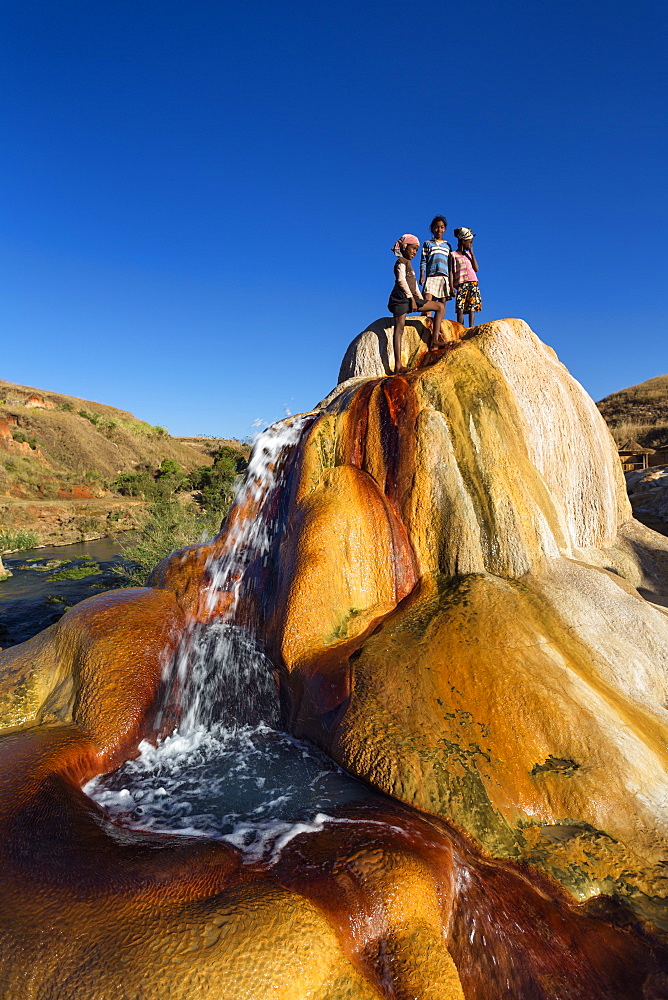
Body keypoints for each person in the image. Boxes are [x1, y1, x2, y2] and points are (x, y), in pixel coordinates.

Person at [388, 234, 445, 374]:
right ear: (405, 247)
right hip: (400, 298)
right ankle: (398, 366)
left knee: (439, 307)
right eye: (413, 248)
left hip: (410, 298)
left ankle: (435, 340)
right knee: (399, 329)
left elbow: (414, 287)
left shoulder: (409, 264)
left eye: (416, 250)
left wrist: (421, 300)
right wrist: (412, 299)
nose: (414, 252)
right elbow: (401, 281)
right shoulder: (401, 262)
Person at [419, 215, 452, 312]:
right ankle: (427, 321)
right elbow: (423, 260)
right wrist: (422, 275)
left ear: (445, 229)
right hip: (431, 276)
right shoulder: (428, 243)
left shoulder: (447, 246)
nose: (439, 230)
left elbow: (450, 264)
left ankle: (439, 324)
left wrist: (451, 282)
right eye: (437, 227)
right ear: (432, 229)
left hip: (444, 277)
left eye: (442, 227)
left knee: (442, 303)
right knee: (427, 301)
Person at [450, 227, 481, 328]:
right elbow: (451, 271)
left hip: (472, 281)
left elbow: (476, 268)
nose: (470, 245)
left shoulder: (468, 254)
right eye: (469, 242)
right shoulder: (453, 255)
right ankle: (460, 327)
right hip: (461, 282)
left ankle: (471, 327)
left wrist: (472, 253)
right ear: (463, 241)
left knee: (472, 306)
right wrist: (451, 287)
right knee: (460, 307)